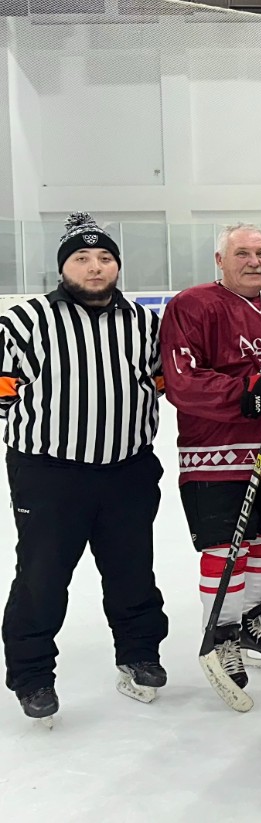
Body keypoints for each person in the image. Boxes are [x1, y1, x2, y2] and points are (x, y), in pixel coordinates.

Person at [1, 214, 168, 722]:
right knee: (42, 576)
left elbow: (159, 384)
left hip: (128, 470)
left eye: (105, 258)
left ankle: (140, 652)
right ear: (63, 267)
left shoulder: (144, 323)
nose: (95, 267)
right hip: (49, 474)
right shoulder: (24, 321)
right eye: (82, 258)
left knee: (132, 570)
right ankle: (32, 675)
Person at [160, 222, 261, 686]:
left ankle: (248, 621)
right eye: (242, 253)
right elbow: (182, 380)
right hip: (216, 454)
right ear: (220, 260)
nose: (254, 262)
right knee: (225, 548)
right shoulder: (191, 305)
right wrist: (249, 393)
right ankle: (222, 632)